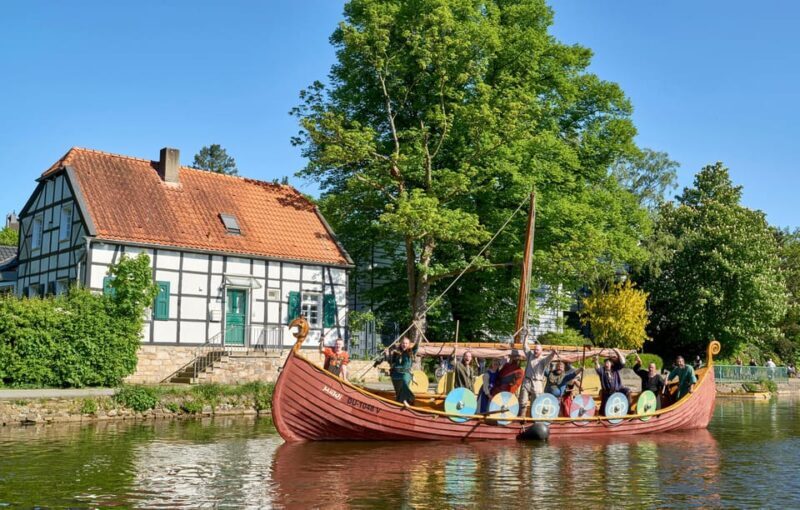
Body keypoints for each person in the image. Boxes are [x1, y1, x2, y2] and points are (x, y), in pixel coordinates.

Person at [519, 338, 556, 416]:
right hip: (527, 381)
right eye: (535, 349)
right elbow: (525, 346)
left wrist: (553, 353)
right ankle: (522, 418)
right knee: (523, 401)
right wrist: (526, 336)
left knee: (536, 402)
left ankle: (534, 419)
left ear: (541, 351)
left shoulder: (543, 360)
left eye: (537, 350)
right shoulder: (530, 355)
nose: (535, 351)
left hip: (537, 382)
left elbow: (549, 358)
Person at [385, 335, 421, 405]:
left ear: (409, 344)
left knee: (404, 382)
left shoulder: (410, 352)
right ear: (401, 344)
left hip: (405, 373)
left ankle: (407, 401)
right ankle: (400, 403)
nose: (404, 345)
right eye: (403, 343)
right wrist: (387, 355)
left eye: (406, 343)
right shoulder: (396, 352)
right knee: (398, 389)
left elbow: (416, 346)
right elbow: (391, 362)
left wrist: (418, 339)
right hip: (396, 374)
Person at [595, 348, 629, 415]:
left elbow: (623, 362)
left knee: (628, 391)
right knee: (604, 412)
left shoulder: (614, 369)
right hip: (606, 395)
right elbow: (597, 368)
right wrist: (596, 361)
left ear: (611, 364)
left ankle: (628, 411)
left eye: (608, 363)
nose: (606, 364)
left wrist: (617, 351)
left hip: (616, 393)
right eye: (605, 363)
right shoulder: (602, 371)